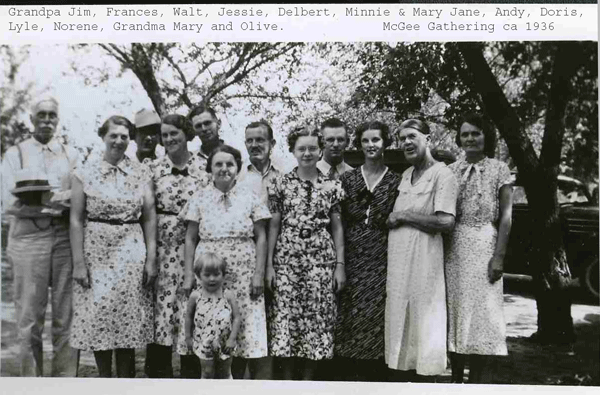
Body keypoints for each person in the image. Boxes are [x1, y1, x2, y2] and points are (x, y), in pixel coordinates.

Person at [69, 115, 157, 378]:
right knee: (100, 317)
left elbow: (150, 216)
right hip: (96, 249)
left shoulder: (142, 172)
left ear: (130, 139)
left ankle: (126, 382)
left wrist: (151, 259)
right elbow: (75, 219)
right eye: (113, 135)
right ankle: (105, 381)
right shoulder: (84, 172)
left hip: (131, 247)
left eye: (124, 136)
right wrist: (79, 263)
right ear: (103, 137)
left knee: (127, 319)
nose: (119, 141)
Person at [1, 97, 80, 377]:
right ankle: (30, 384)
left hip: (62, 239)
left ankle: (64, 383)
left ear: (58, 120)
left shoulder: (71, 155)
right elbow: (8, 205)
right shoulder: (15, 154)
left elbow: (79, 197)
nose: (47, 120)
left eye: (52, 115)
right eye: (41, 115)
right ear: (31, 119)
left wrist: (39, 203)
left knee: (66, 317)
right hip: (27, 241)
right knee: (28, 318)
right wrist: (55, 202)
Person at [180, 145, 272, 379]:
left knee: (242, 325)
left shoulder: (249, 196)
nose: (224, 169)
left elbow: (261, 235)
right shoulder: (199, 197)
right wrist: (190, 274)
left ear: (237, 168)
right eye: (218, 164)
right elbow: (190, 237)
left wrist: (258, 273)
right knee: (212, 324)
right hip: (210, 271)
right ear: (210, 168)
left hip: (244, 270)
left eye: (229, 164)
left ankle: (237, 384)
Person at [266, 126, 346, 380]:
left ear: (319, 149)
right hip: (287, 260)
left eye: (312, 148)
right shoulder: (280, 183)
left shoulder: (332, 185)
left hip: (320, 260)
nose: (308, 153)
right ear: (292, 150)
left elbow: (337, 227)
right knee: (287, 318)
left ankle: (308, 382)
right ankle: (289, 382)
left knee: (317, 318)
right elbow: (274, 225)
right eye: (302, 148)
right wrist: (269, 265)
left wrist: (339, 265)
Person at [385, 118, 458, 382]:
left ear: (428, 138)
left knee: (424, 328)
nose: (406, 142)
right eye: (402, 138)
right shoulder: (406, 175)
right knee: (401, 331)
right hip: (400, 266)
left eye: (412, 136)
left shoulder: (443, 174)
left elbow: (445, 221)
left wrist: (404, 215)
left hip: (425, 264)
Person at [445, 113, 513, 384]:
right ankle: (455, 378)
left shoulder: (499, 169)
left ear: (487, 136)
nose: (471, 138)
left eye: (476, 133)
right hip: (456, 246)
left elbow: (507, 215)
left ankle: (477, 382)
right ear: (459, 139)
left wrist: (499, 256)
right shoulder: (451, 170)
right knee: (457, 309)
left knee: (482, 313)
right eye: (465, 134)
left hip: (486, 243)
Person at [144, 114, 210, 378]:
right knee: (160, 314)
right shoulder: (153, 168)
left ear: (187, 135)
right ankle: (159, 377)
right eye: (165, 134)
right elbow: (146, 212)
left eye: (174, 133)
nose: (169, 139)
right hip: (161, 249)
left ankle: (190, 379)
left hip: (193, 248)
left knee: (190, 311)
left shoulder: (204, 167)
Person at [334, 121, 401, 381]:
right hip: (351, 257)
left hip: (382, 257)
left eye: (376, 140)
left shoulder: (396, 181)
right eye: (365, 141)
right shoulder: (347, 179)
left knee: (376, 318)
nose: (371, 145)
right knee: (349, 317)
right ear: (359, 144)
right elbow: (338, 221)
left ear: (385, 142)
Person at [185, 252, 242, 379]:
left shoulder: (228, 295)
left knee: (225, 372)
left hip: (225, 341)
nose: (212, 279)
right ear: (199, 276)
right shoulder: (195, 296)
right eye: (207, 275)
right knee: (207, 372)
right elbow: (188, 317)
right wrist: (188, 337)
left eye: (216, 274)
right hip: (203, 340)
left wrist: (232, 339)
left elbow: (237, 318)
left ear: (223, 275)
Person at [238, 120, 283, 202]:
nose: (254, 145)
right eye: (249, 141)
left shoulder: (283, 172)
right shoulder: (237, 174)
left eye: (259, 140)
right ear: (245, 144)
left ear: (272, 143)